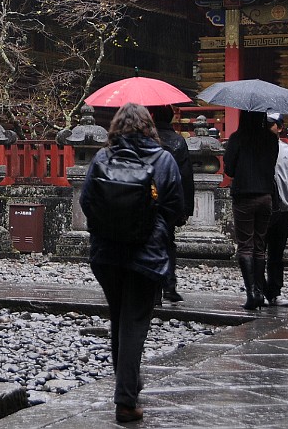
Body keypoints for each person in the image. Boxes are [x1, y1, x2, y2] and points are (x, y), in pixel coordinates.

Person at [81, 103, 184, 424]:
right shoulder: (163, 159)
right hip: (146, 255)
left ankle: (129, 381)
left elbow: (86, 202)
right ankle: (126, 400)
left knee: (120, 320)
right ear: (148, 126)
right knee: (134, 326)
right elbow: (176, 210)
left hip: (107, 256)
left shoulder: (102, 157)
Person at [223, 109, 279, 311]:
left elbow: (229, 169)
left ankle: (252, 293)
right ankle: (260, 291)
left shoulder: (237, 138)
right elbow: (272, 163)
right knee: (259, 244)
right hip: (265, 195)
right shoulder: (272, 139)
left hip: (244, 195)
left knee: (245, 245)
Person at [149, 105, 194, 303]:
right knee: (168, 242)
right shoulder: (178, 142)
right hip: (171, 198)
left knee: (150, 241)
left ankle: (154, 289)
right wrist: (186, 208)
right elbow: (185, 177)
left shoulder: (147, 140)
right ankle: (169, 285)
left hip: (148, 197)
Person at [264, 112, 288, 307]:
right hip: (283, 207)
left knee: (261, 251)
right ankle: (274, 291)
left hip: (265, 206)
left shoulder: (256, 150)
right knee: (276, 254)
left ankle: (260, 289)